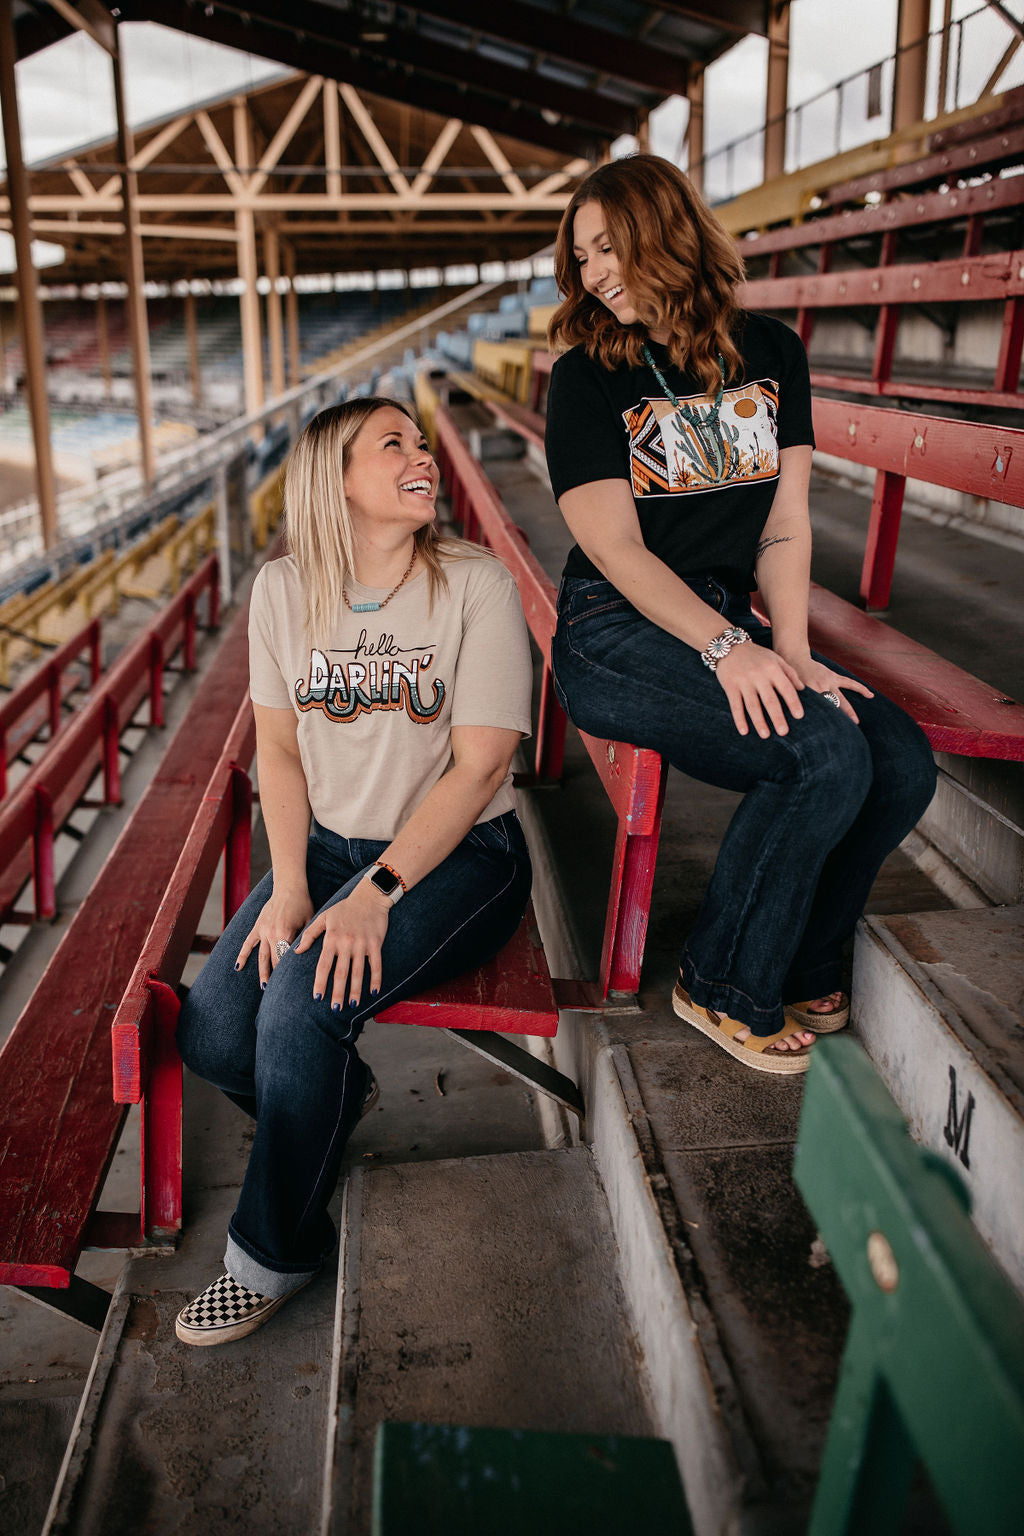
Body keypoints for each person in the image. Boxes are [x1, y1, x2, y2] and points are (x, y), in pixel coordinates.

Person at [544, 154, 936, 1075]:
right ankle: (721, 979)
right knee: (818, 754)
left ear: (665, 232)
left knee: (899, 759)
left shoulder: (771, 353)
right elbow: (616, 550)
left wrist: (790, 651)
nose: (596, 273)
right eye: (583, 258)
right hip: (615, 629)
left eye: (610, 247)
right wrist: (727, 648)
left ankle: (801, 959)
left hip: (724, 614)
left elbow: (786, 524)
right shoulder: (586, 377)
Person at [175, 397, 533, 1343]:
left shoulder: (474, 583)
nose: (422, 457)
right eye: (395, 446)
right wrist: (293, 885)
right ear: (335, 482)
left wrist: (378, 893)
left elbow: (483, 764)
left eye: (422, 444)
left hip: (463, 855)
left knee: (299, 1008)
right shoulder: (285, 591)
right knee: (214, 1032)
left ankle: (270, 1254)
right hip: (328, 848)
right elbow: (281, 753)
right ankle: (328, 1097)